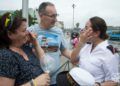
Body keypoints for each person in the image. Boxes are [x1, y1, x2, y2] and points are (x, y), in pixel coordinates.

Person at [0, 12, 50, 86]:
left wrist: (35, 43)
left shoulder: (26, 48)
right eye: (24, 30)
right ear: (10, 34)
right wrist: (34, 83)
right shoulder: (6, 56)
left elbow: (45, 62)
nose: (28, 32)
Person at [28, 2, 71, 86]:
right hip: (36, 80)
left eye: (56, 15)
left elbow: (64, 50)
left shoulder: (58, 31)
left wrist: (79, 58)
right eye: (52, 16)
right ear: (41, 15)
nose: (55, 19)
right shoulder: (30, 31)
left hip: (55, 80)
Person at [71, 16, 119, 86]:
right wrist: (80, 42)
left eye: (86, 28)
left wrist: (98, 85)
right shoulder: (86, 45)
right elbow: (73, 60)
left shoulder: (108, 52)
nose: (83, 30)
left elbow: (114, 81)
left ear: (96, 33)